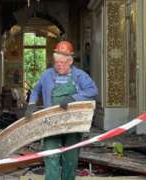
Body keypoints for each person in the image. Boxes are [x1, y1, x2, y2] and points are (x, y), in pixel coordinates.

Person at [25, 40, 98, 180]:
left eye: (62, 63)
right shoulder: (47, 75)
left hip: (72, 124)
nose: (59, 66)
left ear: (70, 61)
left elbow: (93, 90)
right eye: (56, 63)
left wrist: (74, 97)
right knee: (51, 156)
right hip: (51, 123)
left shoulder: (79, 75)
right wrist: (31, 104)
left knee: (70, 159)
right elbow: (36, 90)